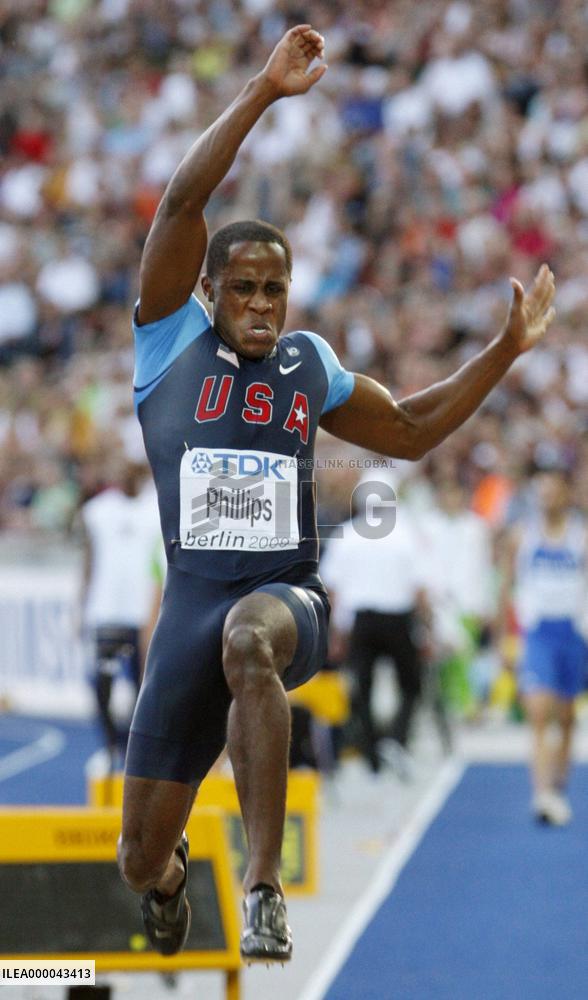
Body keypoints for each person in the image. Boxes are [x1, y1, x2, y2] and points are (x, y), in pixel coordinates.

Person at [116, 24, 556, 963]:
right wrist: (265, 93)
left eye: (279, 289)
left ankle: (263, 885)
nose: (267, 305)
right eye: (247, 289)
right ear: (207, 289)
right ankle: (166, 879)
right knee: (133, 853)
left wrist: (505, 352)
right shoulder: (164, 339)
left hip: (284, 600)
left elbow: (412, 429)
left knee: (251, 642)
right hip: (190, 606)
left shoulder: (309, 364)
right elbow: (185, 198)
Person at [320, 484, 431, 775]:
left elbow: (332, 590)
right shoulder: (406, 533)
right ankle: (395, 737)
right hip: (397, 617)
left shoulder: (347, 534)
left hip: (362, 620)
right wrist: (428, 628)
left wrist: (336, 632)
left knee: (362, 688)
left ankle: (372, 753)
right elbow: (420, 588)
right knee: (411, 685)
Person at [499, 468, 588, 825]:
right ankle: (542, 794)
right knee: (538, 712)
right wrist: (501, 642)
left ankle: (558, 784)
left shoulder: (581, 538)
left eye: (553, 490)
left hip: (572, 632)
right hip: (536, 634)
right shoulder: (522, 536)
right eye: (541, 491)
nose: (546, 497)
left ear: (565, 494)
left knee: (566, 718)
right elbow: (505, 588)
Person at [80, 457, 161, 766]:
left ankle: (131, 746)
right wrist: (82, 604)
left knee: (143, 686)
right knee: (103, 683)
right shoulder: (98, 511)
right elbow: (88, 560)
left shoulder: (156, 507)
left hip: (143, 615)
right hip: (106, 613)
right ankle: (110, 742)